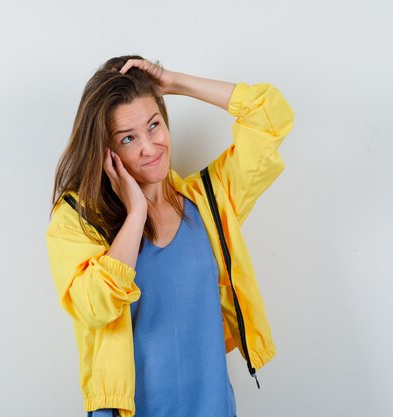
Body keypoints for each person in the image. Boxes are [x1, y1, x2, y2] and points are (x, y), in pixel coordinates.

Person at [45, 55, 294, 417]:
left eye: (154, 125)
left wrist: (175, 83)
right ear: (105, 152)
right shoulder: (79, 222)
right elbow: (93, 307)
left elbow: (270, 118)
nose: (150, 146)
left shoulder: (210, 201)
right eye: (128, 138)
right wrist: (135, 216)